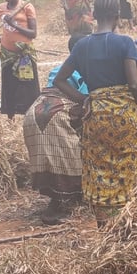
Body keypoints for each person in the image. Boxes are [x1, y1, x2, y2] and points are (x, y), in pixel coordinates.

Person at [52, 0, 137, 228]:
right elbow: (134, 85)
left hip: (96, 115)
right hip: (126, 116)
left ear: (94, 16)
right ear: (117, 16)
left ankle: (104, 229)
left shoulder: (81, 45)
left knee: (100, 171)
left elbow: (60, 80)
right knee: (129, 169)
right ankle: (129, 226)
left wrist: (86, 98)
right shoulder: (125, 43)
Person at [23, 35, 88, 225]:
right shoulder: (86, 70)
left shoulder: (59, 68)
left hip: (34, 113)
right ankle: (65, 198)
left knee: (49, 150)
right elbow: (85, 99)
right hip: (57, 114)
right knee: (67, 146)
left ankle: (58, 197)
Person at [0, 0, 40, 120]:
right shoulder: (0, 9)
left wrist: (14, 24)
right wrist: (1, 40)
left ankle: (30, 116)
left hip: (24, 55)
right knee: (10, 85)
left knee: (28, 85)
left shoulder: (26, 7)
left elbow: (33, 33)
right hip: (7, 55)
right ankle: (10, 115)